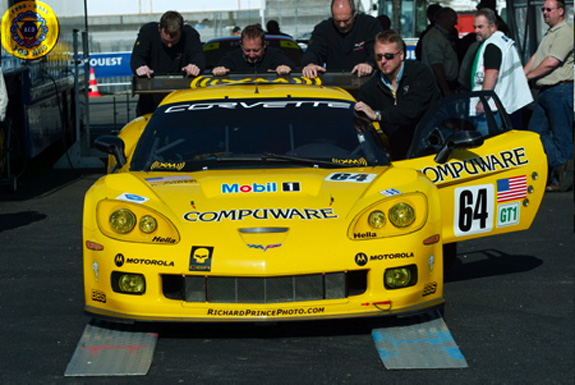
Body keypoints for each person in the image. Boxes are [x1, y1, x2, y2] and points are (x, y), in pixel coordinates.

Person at [354, 30, 440, 160]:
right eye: (378, 56)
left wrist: (378, 116)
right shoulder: (370, 87)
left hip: (433, 148)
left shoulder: (420, 73)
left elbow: (411, 110)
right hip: (398, 152)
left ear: (401, 55)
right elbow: (359, 118)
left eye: (388, 56)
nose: (383, 61)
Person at [524, 0, 574, 192]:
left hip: (559, 90)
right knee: (534, 135)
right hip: (546, 92)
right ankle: (556, 169)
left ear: (560, 11)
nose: (544, 12)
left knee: (562, 137)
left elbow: (551, 62)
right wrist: (521, 76)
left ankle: (564, 176)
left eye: (548, 9)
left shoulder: (565, 32)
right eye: (543, 9)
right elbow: (537, 57)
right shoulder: (550, 33)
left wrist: (529, 76)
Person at [131, 11, 205, 116]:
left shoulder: (190, 34)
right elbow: (137, 57)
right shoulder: (148, 32)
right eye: (166, 41)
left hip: (182, 100)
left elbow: (198, 56)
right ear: (160, 28)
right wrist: (140, 66)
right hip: (151, 99)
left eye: (174, 42)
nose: (170, 46)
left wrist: (195, 66)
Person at [470, 8, 532, 132]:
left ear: (492, 27)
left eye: (480, 27)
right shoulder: (503, 41)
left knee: (486, 146)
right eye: (475, 27)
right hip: (508, 103)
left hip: (492, 107)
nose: (476, 31)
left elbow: (492, 73)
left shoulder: (492, 45)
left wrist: (483, 100)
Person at [301, 0, 382, 79]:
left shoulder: (369, 25)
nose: (342, 25)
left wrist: (369, 64)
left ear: (354, 13)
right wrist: (310, 64)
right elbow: (314, 50)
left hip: (366, 82)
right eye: (337, 21)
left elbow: (379, 50)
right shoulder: (323, 29)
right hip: (335, 84)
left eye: (346, 20)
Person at [211, 24, 295, 76]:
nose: (251, 55)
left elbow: (290, 66)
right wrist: (219, 70)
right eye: (247, 50)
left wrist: (284, 68)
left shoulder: (275, 55)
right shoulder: (232, 57)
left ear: (264, 45)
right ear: (241, 44)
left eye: (256, 50)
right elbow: (220, 66)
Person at [420, 7, 460, 96]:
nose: (456, 23)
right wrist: (445, 89)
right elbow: (436, 65)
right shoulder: (434, 37)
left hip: (446, 84)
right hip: (440, 86)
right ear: (444, 19)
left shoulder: (442, 36)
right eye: (454, 19)